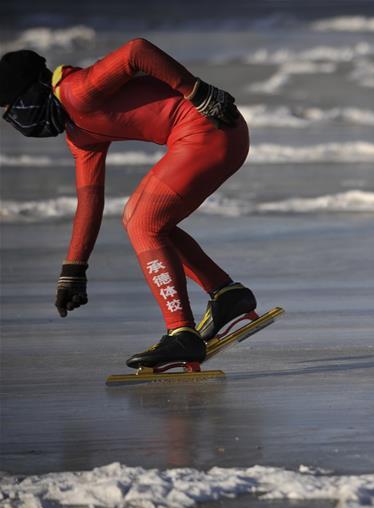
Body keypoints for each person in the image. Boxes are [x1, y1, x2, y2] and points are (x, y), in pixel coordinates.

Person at [0, 39, 258, 369]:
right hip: (215, 136)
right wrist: (73, 270)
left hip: (210, 127)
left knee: (141, 221)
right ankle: (226, 295)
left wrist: (197, 91)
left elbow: (136, 51)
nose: (12, 118)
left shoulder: (77, 90)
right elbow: (89, 201)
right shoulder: (79, 133)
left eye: (11, 107)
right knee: (150, 223)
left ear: (33, 90)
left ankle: (182, 333)